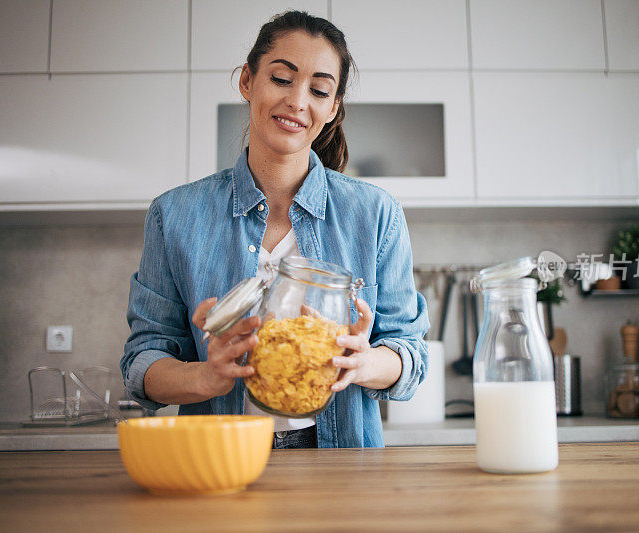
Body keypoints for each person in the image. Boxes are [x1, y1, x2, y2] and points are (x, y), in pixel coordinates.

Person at [121, 10, 429, 448]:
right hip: (219, 457)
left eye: (319, 89)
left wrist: (364, 364)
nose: (298, 102)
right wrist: (205, 375)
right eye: (282, 79)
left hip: (340, 461)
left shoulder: (376, 214)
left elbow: (410, 355)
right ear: (247, 81)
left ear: (332, 106)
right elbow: (142, 362)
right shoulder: (174, 215)